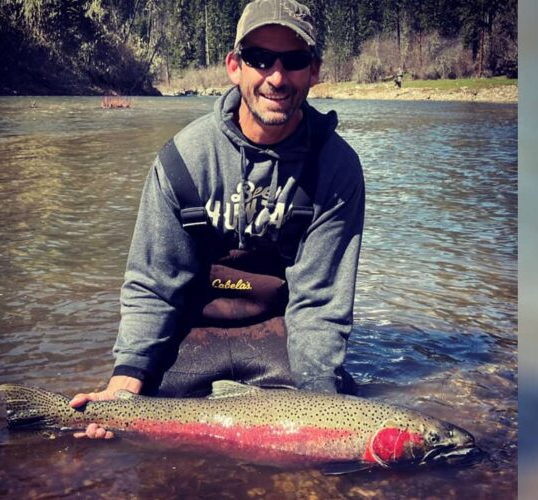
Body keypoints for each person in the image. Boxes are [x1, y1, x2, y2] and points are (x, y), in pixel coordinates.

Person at [70, 0, 365, 440]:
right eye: (260, 58)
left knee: (331, 419)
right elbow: (153, 283)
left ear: (315, 70)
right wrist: (125, 380)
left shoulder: (336, 169)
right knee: (137, 429)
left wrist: (321, 410)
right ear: (234, 66)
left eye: (295, 61)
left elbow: (319, 305)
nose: (277, 77)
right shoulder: (183, 160)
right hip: (192, 334)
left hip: (278, 335)